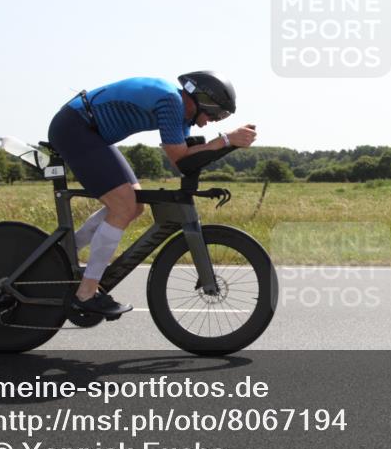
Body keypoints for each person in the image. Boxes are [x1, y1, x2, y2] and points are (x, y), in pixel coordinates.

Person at [47, 72, 256, 317]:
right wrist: (226, 140)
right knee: (123, 206)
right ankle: (85, 294)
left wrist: (227, 143)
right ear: (202, 99)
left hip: (91, 132)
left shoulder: (182, 116)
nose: (210, 122)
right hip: (75, 127)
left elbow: (186, 162)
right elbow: (180, 158)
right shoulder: (171, 102)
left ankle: (56, 256)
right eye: (215, 114)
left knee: (134, 205)